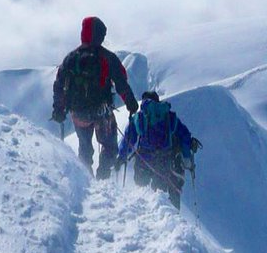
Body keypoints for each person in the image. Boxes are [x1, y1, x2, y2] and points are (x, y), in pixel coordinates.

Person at [52, 16, 138, 178]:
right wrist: (130, 102)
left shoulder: (71, 58)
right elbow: (121, 82)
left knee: (84, 148)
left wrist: (58, 108)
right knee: (110, 147)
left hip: (78, 113)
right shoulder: (107, 57)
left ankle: (86, 180)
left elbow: (59, 85)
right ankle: (103, 178)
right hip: (101, 111)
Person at [118, 91, 198, 210]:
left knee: (140, 193)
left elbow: (129, 139)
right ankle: (162, 220)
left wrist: (121, 156)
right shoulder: (169, 117)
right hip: (164, 161)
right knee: (160, 196)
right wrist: (187, 160)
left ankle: (142, 217)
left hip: (143, 160)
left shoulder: (139, 117)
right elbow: (185, 136)